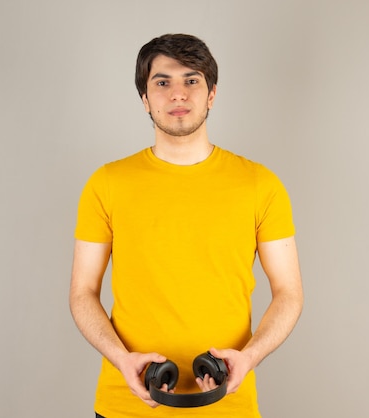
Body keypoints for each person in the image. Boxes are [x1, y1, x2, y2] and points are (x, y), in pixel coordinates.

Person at [69, 33, 303, 418]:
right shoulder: (106, 184)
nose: (178, 94)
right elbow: (82, 292)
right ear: (145, 99)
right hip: (125, 406)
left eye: (191, 80)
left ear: (211, 94)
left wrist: (251, 356)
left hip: (228, 407)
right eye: (162, 83)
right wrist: (118, 358)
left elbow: (289, 292)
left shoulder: (261, 185)